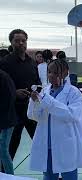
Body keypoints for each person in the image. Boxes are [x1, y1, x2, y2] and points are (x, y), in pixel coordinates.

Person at [27, 59, 82, 180]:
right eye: (49, 72)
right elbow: (34, 116)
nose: (51, 75)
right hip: (47, 143)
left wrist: (47, 101)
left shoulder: (73, 92)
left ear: (65, 73)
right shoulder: (45, 91)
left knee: (69, 174)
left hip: (65, 142)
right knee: (48, 176)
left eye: (56, 72)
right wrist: (34, 102)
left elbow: (71, 115)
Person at [0, 29, 41, 160]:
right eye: (17, 41)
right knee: (10, 148)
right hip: (12, 112)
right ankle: (5, 175)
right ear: (11, 43)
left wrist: (36, 92)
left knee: (41, 142)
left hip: (31, 110)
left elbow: (38, 83)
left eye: (23, 41)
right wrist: (14, 92)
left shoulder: (32, 63)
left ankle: (51, 173)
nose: (21, 43)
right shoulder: (4, 63)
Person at [0, 69, 17, 175]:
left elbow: (9, 98)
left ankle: (9, 175)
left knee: (2, 149)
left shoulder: (3, 77)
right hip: (5, 118)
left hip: (6, 119)